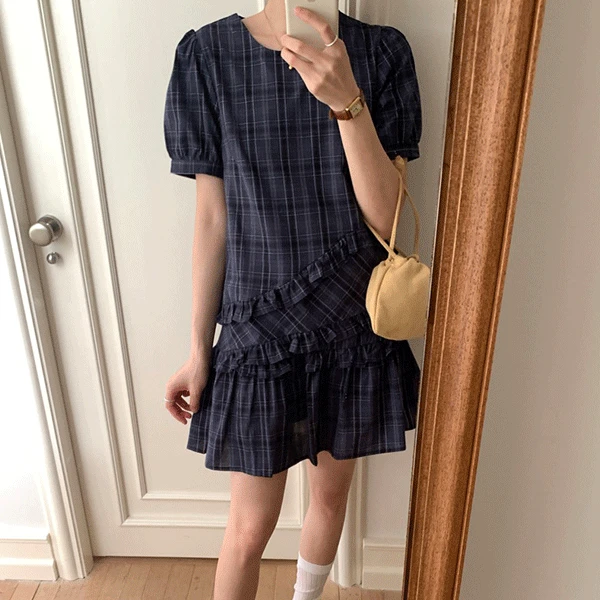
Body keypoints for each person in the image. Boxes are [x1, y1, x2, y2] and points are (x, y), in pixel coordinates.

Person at [162, 1, 422, 598]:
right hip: (257, 330)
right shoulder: (207, 56)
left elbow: (389, 217)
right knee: (248, 528)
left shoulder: (381, 52)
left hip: (350, 323)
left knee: (329, 501)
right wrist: (199, 349)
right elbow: (212, 219)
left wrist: (347, 100)